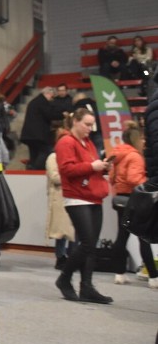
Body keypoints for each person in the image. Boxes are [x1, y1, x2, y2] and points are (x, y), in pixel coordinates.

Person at [53, 108, 113, 304]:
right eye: (87, 124)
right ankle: (65, 278)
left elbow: (86, 167)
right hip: (77, 198)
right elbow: (66, 169)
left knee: (91, 245)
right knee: (87, 243)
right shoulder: (66, 142)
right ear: (75, 122)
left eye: (91, 125)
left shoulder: (87, 143)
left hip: (93, 196)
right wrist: (92, 167)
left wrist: (101, 167)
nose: (90, 128)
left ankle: (86, 286)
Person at [108, 123, 158, 288]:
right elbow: (133, 178)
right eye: (142, 138)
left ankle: (119, 273)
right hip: (135, 200)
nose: (144, 141)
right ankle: (153, 276)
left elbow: (112, 178)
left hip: (120, 198)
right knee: (143, 237)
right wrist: (147, 184)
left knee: (122, 236)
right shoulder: (135, 156)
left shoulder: (117, 155)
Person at [45, 142, 75, 271]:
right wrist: (75, 175)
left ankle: (72, 257)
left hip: (73, 195)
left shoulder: (73, 157)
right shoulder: (53, 157)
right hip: (60, 196)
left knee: (72, 229)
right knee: (61, 230)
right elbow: (55, 178)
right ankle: (60, 256)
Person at [19, 87, 59, 170]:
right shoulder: (42, 102)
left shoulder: (34, 101)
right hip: (38, 134)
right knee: (46, 151)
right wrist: (62, 114)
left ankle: (31, 169)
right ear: (49, 93)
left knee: (34, 154)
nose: (52, 100)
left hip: (29, 134)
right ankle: (34, 169)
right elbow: (50, 115)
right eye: (52, 97)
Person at [72, 92, 104, 157]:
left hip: (85, 134)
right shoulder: (96, 105)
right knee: (98, 152)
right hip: (99, 132)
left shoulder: (78, 107)